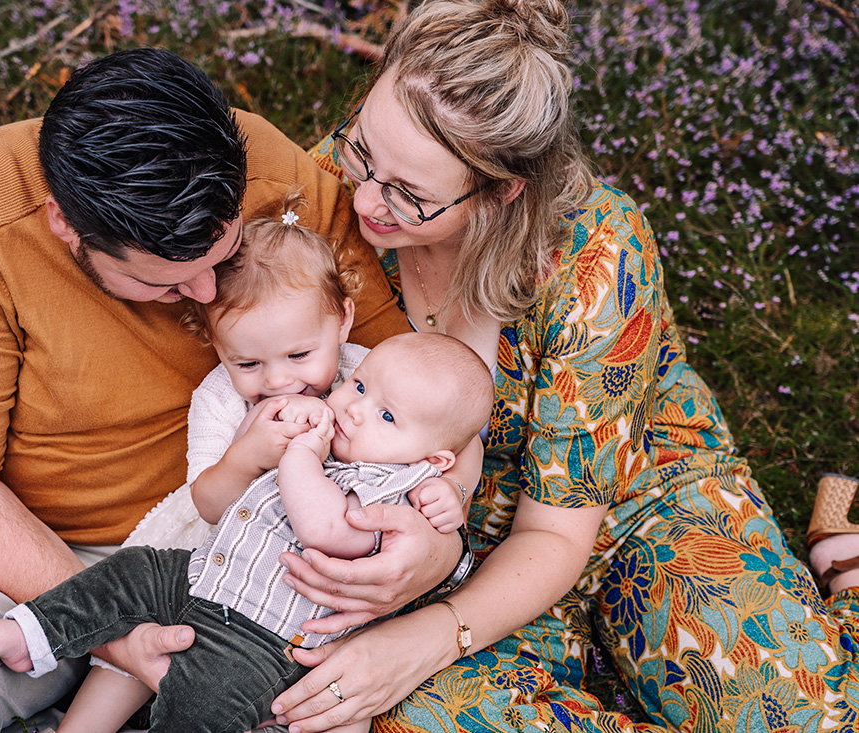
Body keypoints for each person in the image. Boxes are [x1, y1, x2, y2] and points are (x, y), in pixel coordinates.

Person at [0, 47, 470, 732]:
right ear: (66, 222)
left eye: (225, 253)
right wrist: (115, 627)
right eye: (166, 280)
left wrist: (433, 548)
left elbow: (405, 380)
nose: (206, 296)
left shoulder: (272, 172)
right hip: (29, 549)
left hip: (270, 547)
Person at [258, 1, 859, 731]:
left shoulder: (598, 254)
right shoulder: (337, 189)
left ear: (504, 190)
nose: (364, 199)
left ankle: (843, 574)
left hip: (637, 501)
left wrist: (428, 637)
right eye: (360, 150)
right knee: (398, 715)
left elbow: (556, 535)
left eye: (409, 196)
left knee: (802, 717)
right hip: (450, 532)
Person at [0, 196, 479, 733]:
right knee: (126, 585)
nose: (281, 381)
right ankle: (38, 638)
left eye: (300, 356)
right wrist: (247, 455)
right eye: (249, 363)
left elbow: (446, 437)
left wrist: (452, 494)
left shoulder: (375, 376)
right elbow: (208, 502)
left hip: (281, 619)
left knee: (242, 698)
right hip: (204, 557)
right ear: (216, 347)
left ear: (344, 322)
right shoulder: (224, 400)